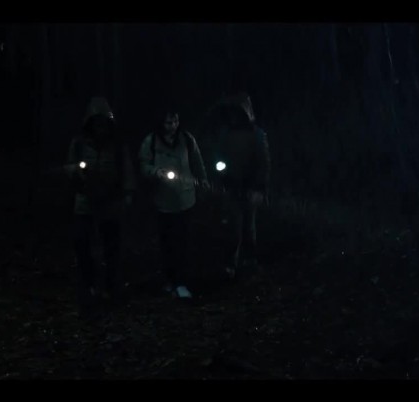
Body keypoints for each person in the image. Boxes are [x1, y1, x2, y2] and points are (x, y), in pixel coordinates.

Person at [65, 96, 135, 311]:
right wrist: (76, 171)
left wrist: (128, 193)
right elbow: (69, 167)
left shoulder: (117, 145)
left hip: (110, 201)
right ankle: (89, 284)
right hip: (85, 200)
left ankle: (110, 286)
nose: (100, 127)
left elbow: (126, 170)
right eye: (96, 122)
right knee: (82, 243)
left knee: (111, 245)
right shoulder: (79, 143)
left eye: (103, 122)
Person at [138, 110, 209, 299]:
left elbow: (197, 161)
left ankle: (181, 282)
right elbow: (143, 165)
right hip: (163, 201)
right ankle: (169, 280)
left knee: (183, 242)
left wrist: (202, 180)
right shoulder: (151, 141)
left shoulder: (187, 139)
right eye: (169, 122)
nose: (173, 126)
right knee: (167, 243)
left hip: (185, 199)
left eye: (175, 121)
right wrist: (156, 172)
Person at [208, 92, 271, 279]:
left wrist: (259, 187)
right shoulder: (226, 133)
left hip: (250, 187)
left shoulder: (257, 134)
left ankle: (249, 261)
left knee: (248, 226)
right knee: (233, 226)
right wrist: (222, 176)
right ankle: (231, 264)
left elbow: (263, 162)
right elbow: (219, 157)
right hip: (232, 186)